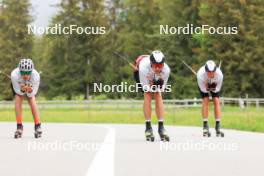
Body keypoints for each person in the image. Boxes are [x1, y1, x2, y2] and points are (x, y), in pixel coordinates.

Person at [134, 50, 170, 142]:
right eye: (155, 65)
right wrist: (152, 83)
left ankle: (161, 128)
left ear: (163, 64)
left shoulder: (166, 70)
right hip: (138, 69)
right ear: (151, 63)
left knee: (158, 94)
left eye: (160, 66)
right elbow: (147, 88)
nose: (158, 68)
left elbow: (160, 89)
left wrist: (157, 84)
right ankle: (148, 128)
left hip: (153, 76)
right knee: (148, 95)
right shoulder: (143, 68)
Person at [11, 58, 42, 138]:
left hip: (31, 87)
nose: (25, 75)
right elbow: (18, 91)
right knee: (18, 98)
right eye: (23, 72)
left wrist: (30, 90)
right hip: (18, 86)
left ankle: (37, 125)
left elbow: (32, 94)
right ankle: (19, 126)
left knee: (31, 99)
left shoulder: (36, 76)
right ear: (19, 71)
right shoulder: (14, 75)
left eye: (28, 73)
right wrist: (22, 89)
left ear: (31, 71)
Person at [197, 60, 224, 137]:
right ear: (206, 71)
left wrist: (213, 87)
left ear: (215, 71)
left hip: (215, 85)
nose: (211, 74)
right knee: (206, 99)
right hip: (203, 84)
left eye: (212, 72)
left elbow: (217, 89)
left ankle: (218, 126)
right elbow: (203, 90)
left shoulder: (220, 75)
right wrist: (207, 86)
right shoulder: (200, 75)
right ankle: (205, 126)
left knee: (216, 100)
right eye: (209, 72)